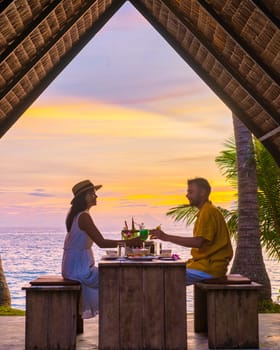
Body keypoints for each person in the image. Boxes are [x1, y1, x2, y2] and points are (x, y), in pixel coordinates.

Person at [62, 179, 141, 319]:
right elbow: (102, 243)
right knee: (118, 278)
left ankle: (117, 315)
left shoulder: (77, 215)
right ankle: (116, 317)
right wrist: (130, 242)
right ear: (84, 196)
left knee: (115, 277)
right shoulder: (83, 217)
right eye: (92, 193)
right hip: (79, 270)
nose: (96, 196)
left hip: (74, 267)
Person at [150, 177, 233, 285]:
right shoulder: (206, 211)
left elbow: (198, 242)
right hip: (204, 266)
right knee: (163, 274)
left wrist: (166, 237)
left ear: (202, 192)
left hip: (210, 269)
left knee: (162, 276)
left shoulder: (208, 212)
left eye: (191, 191)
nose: (187, 195)